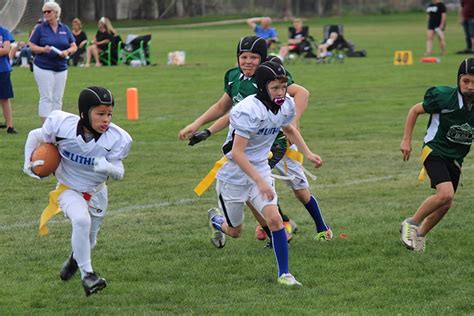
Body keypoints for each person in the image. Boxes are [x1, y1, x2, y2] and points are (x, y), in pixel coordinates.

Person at [178, 36, 332, 247]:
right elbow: (226, 108)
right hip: (251, 148)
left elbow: (301, 93)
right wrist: (201, 127)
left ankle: (320, 227)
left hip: (278, 142)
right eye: (243, 57)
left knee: (300, 189)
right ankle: (274, 229)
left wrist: (293, 125)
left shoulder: (271, 78)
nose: (248, 61)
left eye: (254, 57)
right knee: (252, 184)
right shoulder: (234, 77)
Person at [208, 61, 322, 286]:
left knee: (275, 221)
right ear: (262, 87)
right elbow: (238, 153)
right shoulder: (248, 110)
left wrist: (308, 152)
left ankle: (284, 274)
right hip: (234, 174)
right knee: (235, 231)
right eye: (275, 87)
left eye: (283, 86)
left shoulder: (286, 104)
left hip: (259, 168)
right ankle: (215, 220)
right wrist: (259, 181)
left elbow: (289, 128)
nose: (281, 92)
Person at [23, 86, 132, 296]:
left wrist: (108, 167)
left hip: (97, 192)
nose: (106, 120)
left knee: (90, 241)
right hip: (68, 188)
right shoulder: (62, 126)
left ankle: (75, 259)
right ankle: (88, 276)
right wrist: (27, 163)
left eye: (109, 114)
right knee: (81, 221)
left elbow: (119, 172)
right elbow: (34, 135)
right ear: (83, 113)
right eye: (100, 114)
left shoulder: (117, 138)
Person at [400, 58, 474, 252]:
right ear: (458, 80)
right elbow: (415, 110)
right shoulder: (444, 97)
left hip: (455, 158)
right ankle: (411, 223)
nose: (470, 86)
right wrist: (406, 140)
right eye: (466, 81)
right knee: (445, 193)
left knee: (446, 203)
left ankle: (419, 236)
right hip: (435, 149)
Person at [28, 1, 77, 124]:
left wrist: (67, 51)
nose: (46, 14)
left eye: (48, 11)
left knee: (58, 98)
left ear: (56, 13)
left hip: (61, 67)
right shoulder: (40, 28)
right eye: (44, 11)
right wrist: (42, 49)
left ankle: (56, 124)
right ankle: (45, 125)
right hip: (43, 66)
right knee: (46, 97)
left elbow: (74, 45)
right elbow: (31, 45)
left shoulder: (64, 28)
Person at [0, 25, 17, 134]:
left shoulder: (4, 31)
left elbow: (6, 49)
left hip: (2, 69)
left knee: (5, 98)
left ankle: (9, 126)